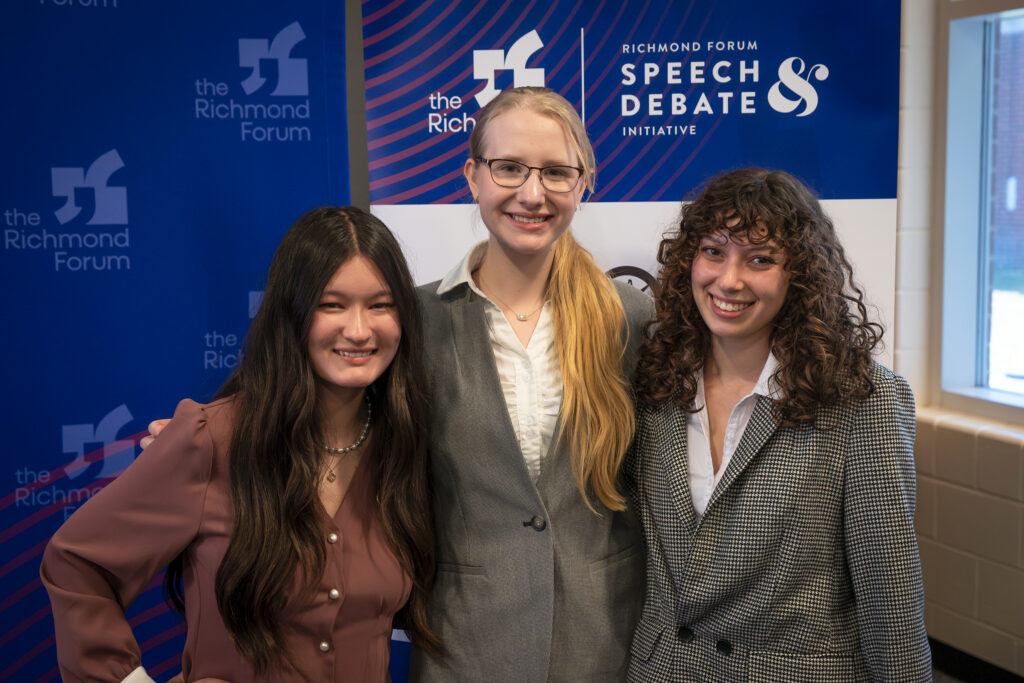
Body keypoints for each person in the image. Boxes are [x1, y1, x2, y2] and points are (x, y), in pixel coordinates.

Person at [41, 207, 441, 682]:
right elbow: (77, 565)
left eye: (381, 305)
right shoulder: (211, 441)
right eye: (331, 305)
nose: (358, 330)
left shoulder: (406, 449)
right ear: (291, 313)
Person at [626, 168, 931, 681]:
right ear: (688, 261)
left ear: (801, 275)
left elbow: (890, 595)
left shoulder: (861, 400)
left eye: (760, 259)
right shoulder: (655, 380)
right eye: (713, 251)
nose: (729, 279)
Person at [409, 86, 652, 681]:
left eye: (555, 173)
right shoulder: (415, 322)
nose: (532, 193)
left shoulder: (632, 319)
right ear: (472, 176)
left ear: (584, 182)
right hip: (461, 645)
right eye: (509, 168)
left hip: (603, 641)